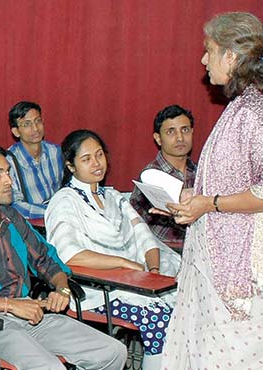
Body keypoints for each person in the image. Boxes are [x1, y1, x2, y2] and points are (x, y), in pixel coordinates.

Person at [160, 12, 263, 370]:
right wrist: (193, 197)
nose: (202, 60)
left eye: (208, 50)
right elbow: (231, 177)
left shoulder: (262, 109)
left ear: (230, 55)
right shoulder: (243, 106)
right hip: (223, 255)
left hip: (250, 270)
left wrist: (209, 204)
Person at [0, 142, 125, 370]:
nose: (8, 181)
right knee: (49, 368)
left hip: (28, 313)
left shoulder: (12, 219)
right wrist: (9, 305)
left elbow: (47, 260)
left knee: (112, 351)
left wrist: (61, 289)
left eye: (8, 172)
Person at [44, 130, 181, 369]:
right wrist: (124, 263)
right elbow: (70, 254)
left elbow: (145, 238)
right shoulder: (64, 201)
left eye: (99, 155)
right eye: (86, 159)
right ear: (71, 166)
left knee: (185, 307)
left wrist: (153, 271)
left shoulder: (114, 197)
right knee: (160, 319)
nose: (96, 163)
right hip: (97, 290)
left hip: (138, 281)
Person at [129, 105, 197, 243]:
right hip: (164, 252)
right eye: (171, 132)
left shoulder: (200, 171)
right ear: (158, 138)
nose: (180, 138)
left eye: (185, 130)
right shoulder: (150, 176)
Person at [5, 101, 61, 219]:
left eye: (38, 121)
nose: (35, 128)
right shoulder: (8, 162)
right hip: (32, 224)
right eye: (27, 124)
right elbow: (14, 205)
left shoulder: (55, 152)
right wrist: (52, 211)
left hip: (60, 219)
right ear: (15, 131)